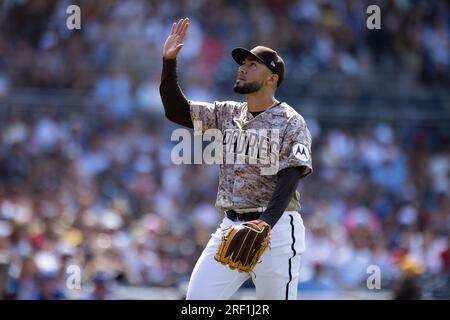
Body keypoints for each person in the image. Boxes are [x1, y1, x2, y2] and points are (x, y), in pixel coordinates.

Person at [160, 18, 313, 300]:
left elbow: (291, 174)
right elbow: (176, 110)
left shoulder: (291, 121)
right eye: (242, 63)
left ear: (272, 78)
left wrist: (265, 223)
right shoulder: (227, 112)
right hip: (232, 227)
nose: (242, 67)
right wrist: (169, 62)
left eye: (252, 64)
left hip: (277, 230)